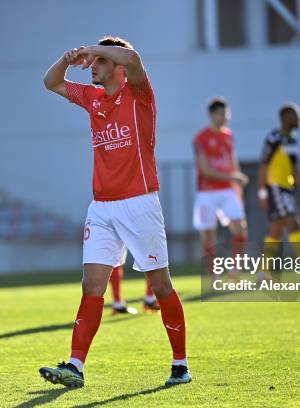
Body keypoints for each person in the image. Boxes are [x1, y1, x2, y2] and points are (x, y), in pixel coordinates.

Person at [39, 36, 191, 388]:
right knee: (92, 285)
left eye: (100, 62)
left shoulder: (139, 95)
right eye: (93, 63)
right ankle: (75, 366)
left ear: (117, 68)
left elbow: (134, 56)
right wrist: (68, 57)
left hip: (140, 203)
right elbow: (51, 82)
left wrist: (94, 48)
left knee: (160, 284)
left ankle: (180, 364)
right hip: (102, 208)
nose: (94, 66)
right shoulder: (92, 98)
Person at [193, 98, 249, 281]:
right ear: (211, 115)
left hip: (227, 191)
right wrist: (233, 177)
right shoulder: (201, 138)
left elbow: (233, 162)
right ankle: (214, 274)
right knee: (208, 234)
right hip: (206, 192)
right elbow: (205, 170)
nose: (225, 117)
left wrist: (237, 184)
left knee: (240, 229)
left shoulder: (229, 135)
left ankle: (234, 270)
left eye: (227, 113)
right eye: (221, 113)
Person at [257, 103, 300, 281]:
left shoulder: (292, 141)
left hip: (287, 189)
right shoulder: (274, 138)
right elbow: (263, 164)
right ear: (286, 117)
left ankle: (264, 273)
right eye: (295, 115)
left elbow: (296, 167)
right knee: (293, 222)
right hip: (275, 188)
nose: (299, 119)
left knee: (276, 228)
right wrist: (262, 192)